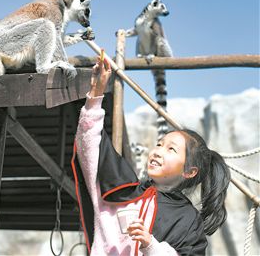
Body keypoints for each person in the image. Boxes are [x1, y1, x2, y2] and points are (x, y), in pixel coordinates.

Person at [71, 56, 231, 255]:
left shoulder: (187, 220)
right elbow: (90, 146)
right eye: (159, 144)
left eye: (171, 149)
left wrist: (150, 245)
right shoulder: (119, 190)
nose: (157, 151)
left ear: (189, 171)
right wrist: (95, 95)